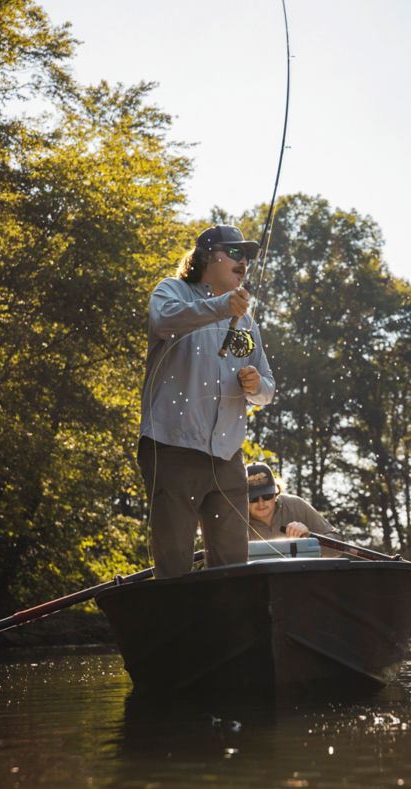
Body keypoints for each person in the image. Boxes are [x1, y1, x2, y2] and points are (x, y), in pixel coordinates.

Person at [138, 225, 275, 578]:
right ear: (207, 255)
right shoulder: (173, 291)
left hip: (228, 458)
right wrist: (219, 307)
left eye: (248, 255)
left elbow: (268, 390)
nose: (244, 260)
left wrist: (256, 384)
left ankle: (228, 632)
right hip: (172, 449)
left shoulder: (247, 322)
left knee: (232, 566)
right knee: (174, 566)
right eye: (235, 252)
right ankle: (176, 631)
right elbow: (164, 320)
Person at [246, 462, 334, 541]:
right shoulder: (236, 520)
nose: (261, 503)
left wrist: (309, 537)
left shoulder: (296, 505)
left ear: (276, 493)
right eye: (253, 498)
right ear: (243, 500)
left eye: (267, 496)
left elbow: (336, 543)